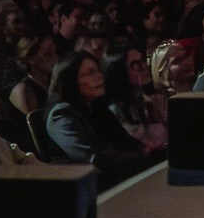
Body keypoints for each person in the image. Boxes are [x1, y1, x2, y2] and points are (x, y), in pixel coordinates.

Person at [43, 52, 159, 186]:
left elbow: (123, 139)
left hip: (109, 178)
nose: (99, 77)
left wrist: (146, 148)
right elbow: (90, 159)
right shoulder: (61, 114)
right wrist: (142, 158)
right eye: (90, 73)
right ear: (71, 80)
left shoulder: (97, 107)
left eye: (98, 71)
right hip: (80, 187)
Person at [102, 46, 167, 153]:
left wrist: (160, 120)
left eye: (143, 61)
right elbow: (139, 146)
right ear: (119, 71)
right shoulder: (114, 109)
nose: (144, 67)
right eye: (136, 65)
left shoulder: (140, 98)